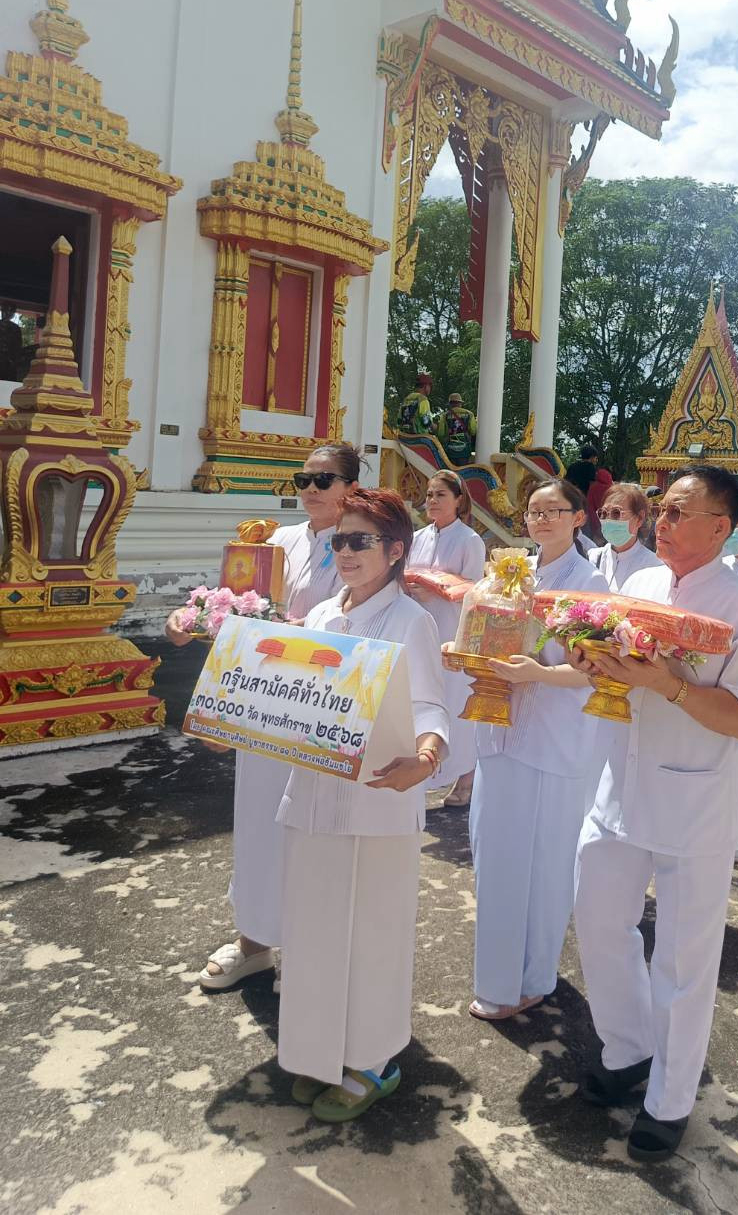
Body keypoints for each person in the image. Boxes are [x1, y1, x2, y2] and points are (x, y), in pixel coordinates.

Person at [571, 466, 738, 1162]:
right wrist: (592, 659)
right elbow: (614, 671)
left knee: (684, 959)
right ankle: (627, 1049)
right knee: (599, 921)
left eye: (678, 512)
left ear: (721, 527)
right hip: (621, 784)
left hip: (695, 800)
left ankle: (669, 1098)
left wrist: (669, 684)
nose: (661, 520)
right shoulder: (640, 586)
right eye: (661, 509)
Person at [277, 487, 448, 1121]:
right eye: (338, 541)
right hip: (315, 794)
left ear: (395, 551)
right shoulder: (322, 615)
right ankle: (321, 1052)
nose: (344, 552)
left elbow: (431, 705)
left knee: (373, 934)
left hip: (379, 796)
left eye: (359, 541)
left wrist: (427, 757)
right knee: (314, 927)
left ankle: (374, 1061)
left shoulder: (411, 621)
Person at [167, 443, 356, 992]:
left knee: (312, 827)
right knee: (257, 819)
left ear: (351, 487)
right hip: (261, 696)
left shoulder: (359, 543)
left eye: (325, 480)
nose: (312, 489)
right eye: (304, 479)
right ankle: (253, 940)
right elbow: (238, 602)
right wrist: (193, 618)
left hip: (320, 702)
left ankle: (308, 948)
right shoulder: (277, 540)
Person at [467, 480, 610, 1021]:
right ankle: (497, 976)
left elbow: (595, 671)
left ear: (578, 518)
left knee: (546, 864)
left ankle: (532, 977)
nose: (542, 519)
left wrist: (538, 673)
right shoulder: (512, 573)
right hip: (499, 726)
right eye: (533, 511)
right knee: (495, 857)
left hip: (552, 738)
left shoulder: (590, 582)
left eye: (554, 510)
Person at [408, 472, 487, 808]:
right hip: (418, 628)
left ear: (459, 500)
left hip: (451, 631)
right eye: (429, 494)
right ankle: (423, 770)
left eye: (441, 494)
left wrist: (439, 590)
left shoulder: (470, 540)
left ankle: (466, 775)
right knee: (420, 700)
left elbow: (477, 591)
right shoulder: (416, 538)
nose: (433, 501)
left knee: (454, 702)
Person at [587, 482, 663, 591]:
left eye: (616, 513)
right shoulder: (591, 559)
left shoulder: (654, 567)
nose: (608, 520)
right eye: (603, 513)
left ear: (639, 518)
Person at [436, 393, 477, 464]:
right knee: (463, 469)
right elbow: (473, 431)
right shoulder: (469, 414)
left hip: (450, 451)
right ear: (460, 403)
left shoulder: (444, 415)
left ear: (450, 404)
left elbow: (440, 434)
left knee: (451, 470)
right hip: (464, 451)